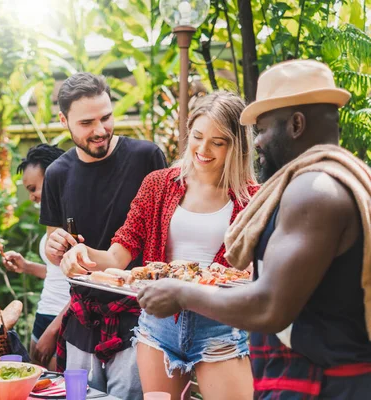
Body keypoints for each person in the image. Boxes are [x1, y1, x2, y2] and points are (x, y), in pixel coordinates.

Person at [137, 59, 371, 399]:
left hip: (330, 386)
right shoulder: (330, 182)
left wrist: (181, 293)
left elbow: (268, 307)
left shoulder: (315, 191)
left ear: (296, 124)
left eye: (262, 129)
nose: (257, 142)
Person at [61, 91, 258, 399]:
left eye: (218, 142)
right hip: (159, 326)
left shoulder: (253, 200)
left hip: (220, 328)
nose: (203, 150)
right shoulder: (159, 184)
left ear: (238, 146)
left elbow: (257, 273)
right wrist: (80, 254)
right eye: (197, 136)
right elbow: (118, 254)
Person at [40, 72, 167, 399]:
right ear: (63, 120)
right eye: (86, 123)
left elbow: (165, 238)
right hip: (83, 318)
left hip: (140, 316)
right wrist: (56, 248)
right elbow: (59, 249)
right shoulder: (56, 175)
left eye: (106, 117)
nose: (100, 130)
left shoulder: (147, 158)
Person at [2, 143, 69, 370]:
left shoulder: (75, 220)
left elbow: (87, 285)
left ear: (55, 178)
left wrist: (53, 331)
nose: (31, 197)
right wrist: (27, 266)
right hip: (45, 313)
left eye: (33, 188)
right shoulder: (53, 219)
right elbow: (58, 274)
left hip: (65, 320)